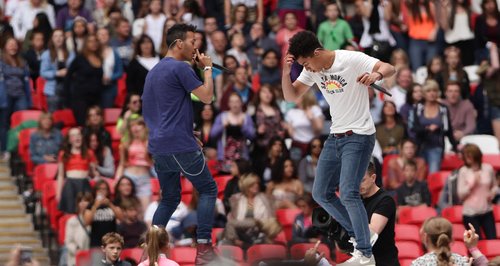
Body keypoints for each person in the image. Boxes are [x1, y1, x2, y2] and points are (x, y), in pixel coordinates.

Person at [282, 30, 395, 265]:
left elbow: (389, 67)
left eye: (306, 63)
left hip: (359, 135)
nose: (307, 69)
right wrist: (286, 72)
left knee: (349, 191)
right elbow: (291, 96)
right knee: (320, 192)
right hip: (336, 135)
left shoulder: (349, 59)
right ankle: (362, 234)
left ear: (316, 52)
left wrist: (376, 76)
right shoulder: (312, 70)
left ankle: (364, 253)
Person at [141, 23, 218, 264]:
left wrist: (186, 131)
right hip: (180, 145)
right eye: (193, 41)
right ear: (179, 44)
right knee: (207, 189)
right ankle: (204, 246)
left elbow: (159, 112)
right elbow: (207, 97)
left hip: (159, 146)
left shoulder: (153, 72)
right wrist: (207, 69)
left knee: (170, 198)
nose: (196, 46)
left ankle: (152, 249)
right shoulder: (180, 68)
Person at [408, 79, 458, 173]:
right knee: (419, 175)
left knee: (433, 174)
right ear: (424, 93)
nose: (432, 93)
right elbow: (414, 128)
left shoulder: (443, 109)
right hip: (419, 146)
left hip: (436, 147)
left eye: (434, 91)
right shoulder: (418, 108)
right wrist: (427, 129)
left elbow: (448, 130)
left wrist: (455, 147)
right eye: (428, 91)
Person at [359, 161, 399, 266]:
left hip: (384, 262)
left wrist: (347, 223)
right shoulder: (356, 201)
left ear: (373, 178)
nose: (358, 185)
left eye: (362, 180)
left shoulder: (385, 200)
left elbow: (372, 232)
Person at [0, 37, 32, 160]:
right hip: (5, 95)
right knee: (4, 123)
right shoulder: (1, 61)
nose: (13, 47)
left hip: (20, 95)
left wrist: (29, 99)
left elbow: (26, 82)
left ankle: (18, 149)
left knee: (22, 123)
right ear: (5, 47)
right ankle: (4, 149)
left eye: (15, 44)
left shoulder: (22, 62)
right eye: (10, 44)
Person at [457, 143, 498, 240]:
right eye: (466, 155)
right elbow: (461, 195)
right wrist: (472, 185)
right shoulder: (463, 171)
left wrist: (492, 193)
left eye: (470, 155)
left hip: (487, 211)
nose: (468, 158)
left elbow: (495, 186)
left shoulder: (488, 168)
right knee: (476, 242)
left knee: (492, 240)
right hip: (470, 214)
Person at [411, 217, 487, 266]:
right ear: (451, 238)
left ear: (426, 237)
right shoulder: (463, 262)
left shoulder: (418, 263)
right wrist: (473, 248)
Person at [115, 117, 153, 212]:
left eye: (138, 125)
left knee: (146, 210)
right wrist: (117, 179)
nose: (135, 128)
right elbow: (122, 164)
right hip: (129, 177)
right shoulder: (126, 144)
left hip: (144, 178)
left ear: (144, 127)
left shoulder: (150, 143)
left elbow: (153, 163)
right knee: (129, 209)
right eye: (132, 126)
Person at [57, 127, 96, 214]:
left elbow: (93, 173)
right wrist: (58, 194)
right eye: (74, 136)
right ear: (70, 140)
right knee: (70, 211)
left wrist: (94, 170)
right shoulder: (63, 154)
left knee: (87, 212)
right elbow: (60, 175)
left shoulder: (89, 153)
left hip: (84, 184)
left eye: (78, 135)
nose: (77, 137)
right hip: (70, 185)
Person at [40, 29, 75, 112]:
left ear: (64, 38)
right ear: (52, 39)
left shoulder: (71, 54)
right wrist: (57, 73)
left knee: (68, 115)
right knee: (54, 115)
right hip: (53, 90)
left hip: (68, 89)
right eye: (56, 36)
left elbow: (75, 70)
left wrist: (69, 72)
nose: (58, 38)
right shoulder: (46, 54)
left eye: (61, 36)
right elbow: (43, 73)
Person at [64, 192, 92, 266]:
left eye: (86, 200)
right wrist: (77, 250)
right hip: (76, 259)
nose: (83, 203)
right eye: (80, 201)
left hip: (92, 259)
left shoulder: (95, 220)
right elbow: (68, 242)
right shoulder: (72, 221)